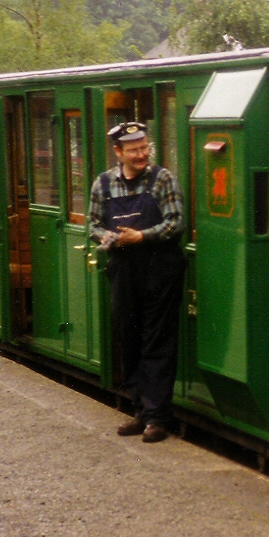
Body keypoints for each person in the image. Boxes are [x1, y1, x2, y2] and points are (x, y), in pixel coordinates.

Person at [88, 121, 186, 444]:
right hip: (123, 269)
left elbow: (176, 221)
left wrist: (142, 235)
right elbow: (93, 225)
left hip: (160, 268)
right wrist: (111, 238)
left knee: (156, 341)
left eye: (145, 148)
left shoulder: (163, 179)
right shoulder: (103, 184)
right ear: (119, 152)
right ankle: (140, 411)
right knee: (128, 340)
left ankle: (158, 418)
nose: (142, 154)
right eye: (134, 150)